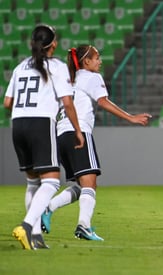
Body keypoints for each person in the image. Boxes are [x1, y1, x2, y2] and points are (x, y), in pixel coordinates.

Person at [40, 45, 152, 241]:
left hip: (61, 134)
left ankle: (49, 208)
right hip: (78, 132)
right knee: (90, 184)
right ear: (86, 62)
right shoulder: (91, 77)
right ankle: (83, 225)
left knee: (81, 184)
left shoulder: (68, 79)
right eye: (97, 58)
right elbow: (103, 102)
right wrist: (131, 118)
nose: (100, 61)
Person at [3, 24, 84, 250]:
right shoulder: (56, 67)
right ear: (54, 44)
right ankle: (27, 226)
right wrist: (78, 131)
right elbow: (67, 103)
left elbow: (7, 102)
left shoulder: (20, 67)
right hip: (41, 123)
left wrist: (23, 117)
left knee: (32, 182)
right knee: (51, 181)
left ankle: (35, 237)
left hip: (18, 123)